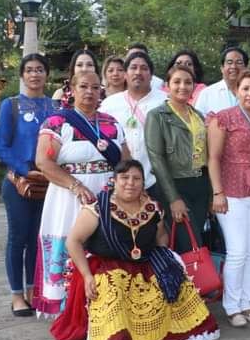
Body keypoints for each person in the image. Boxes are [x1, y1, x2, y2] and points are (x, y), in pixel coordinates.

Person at [51, 160, 219, 340]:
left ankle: (165, 332)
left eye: (136, 178)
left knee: (172, 283)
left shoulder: (152, 208)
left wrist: (163, 261)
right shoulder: (97, 207)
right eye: (124, 178)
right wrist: (87, 276)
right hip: (106, 266)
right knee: (115, 288)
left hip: (143, 265)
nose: (130, 183)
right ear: (114, 181)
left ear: (143, 183)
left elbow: (161, 237)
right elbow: (74, 241)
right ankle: (119, 335)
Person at [33, 70, 126, 317]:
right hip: (67, 196)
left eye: (95, 88)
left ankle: (102, 305)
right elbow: (43, 162)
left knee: (102, 244)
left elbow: (126, 163)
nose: (90, 92)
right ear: (72, 90)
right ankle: (67, 308)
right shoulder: (56, 123)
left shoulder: (112, 123)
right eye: (84, 86)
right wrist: (76, 186)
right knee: (68, 243)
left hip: (106, 196)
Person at [207, 70, 250, 327]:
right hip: (232, 191)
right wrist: (217, 192)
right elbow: (213, 158)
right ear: (237, 91)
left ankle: (247, 305)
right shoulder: (223, 118)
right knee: (236, 251)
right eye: (246, 88)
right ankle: (232, 307)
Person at [0, 54, 57, 317]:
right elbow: (1, 146)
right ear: (22, 75)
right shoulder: (12, 105)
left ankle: (34, 290)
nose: (34, 75)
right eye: (29, 70)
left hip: (48, 183)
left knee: (37, 239)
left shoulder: (54, 107)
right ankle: (17, 295)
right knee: (17, 238)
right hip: (19, 183)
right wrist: (25, 169)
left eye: (40, 69)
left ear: (46, 75)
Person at [145, 64, 211, 254]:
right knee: (190, 245)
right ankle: (190, 283)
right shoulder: (157, 116)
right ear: (167, 85)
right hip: (175, 185)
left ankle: (194, 282)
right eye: (177, 82)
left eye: (188, 82)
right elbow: (156, 159)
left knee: (196, 239)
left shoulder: (197, 115)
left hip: (200, 185)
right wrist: (173, 198)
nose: (183, 86)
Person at [100, 51, 166, 200]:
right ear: (125, 73)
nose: (138, 72)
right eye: (133, 67)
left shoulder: (165, 102)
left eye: (144, 68)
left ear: (151, 74)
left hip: (157, 182)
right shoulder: (109, 105)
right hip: (120, 183)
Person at [195, 46, 250, 119]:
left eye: (239, 62)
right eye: (229, 62)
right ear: (222, 68)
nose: (233, 66)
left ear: (246, 68)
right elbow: (198, 122)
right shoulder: (207, 93)